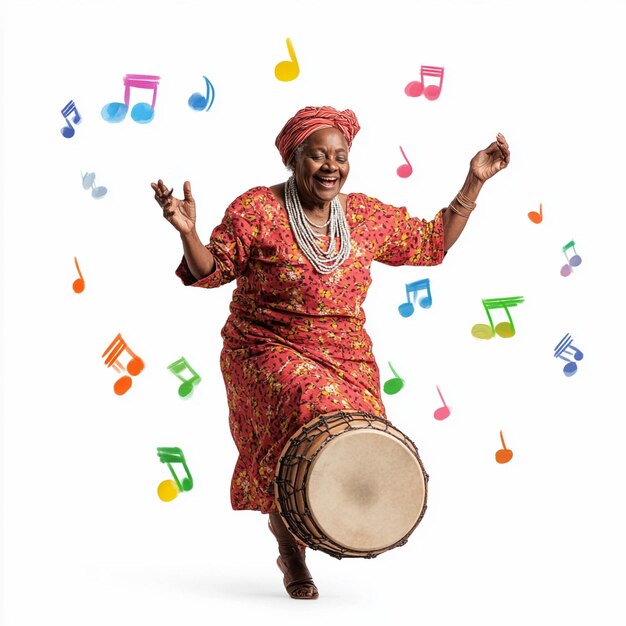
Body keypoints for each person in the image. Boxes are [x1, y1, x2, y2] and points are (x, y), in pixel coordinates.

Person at [151, 105, 510, 600]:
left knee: (358, 436)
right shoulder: (256, 210)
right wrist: (189, 232)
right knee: (307, 407)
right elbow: (212, 271)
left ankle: (324, 525)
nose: (330, 166)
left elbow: (432, 242)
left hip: (345, 355)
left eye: (339, 156)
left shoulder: (361, 215)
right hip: (265, 347)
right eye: (316, 155)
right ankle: (290, 550)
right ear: (293, 159)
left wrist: (475, 180)